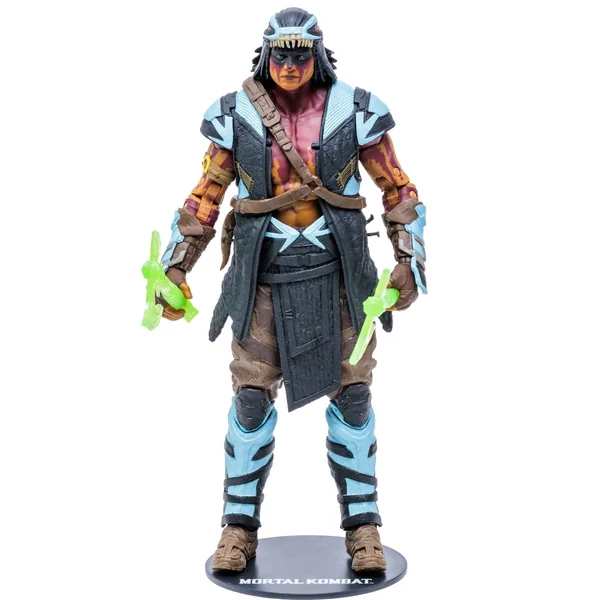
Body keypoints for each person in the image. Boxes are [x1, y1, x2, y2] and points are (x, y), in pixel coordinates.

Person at [159, 7, 427, 573]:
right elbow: (205, 195)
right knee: (250, 402)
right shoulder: (235, 115)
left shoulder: (356, 111)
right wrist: (176, 267)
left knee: (354, 399)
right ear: (265, 54)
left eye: (299, 54)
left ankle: (364, 529)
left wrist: (409, 260)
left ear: (318, 55)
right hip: (262, 276)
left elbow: (399, 190)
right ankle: (237, 529)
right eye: (279, 53)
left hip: (341, 276)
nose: (288, 64)